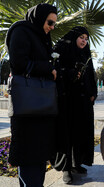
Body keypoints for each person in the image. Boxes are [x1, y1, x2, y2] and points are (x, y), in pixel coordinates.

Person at [5, 3, 57, 186]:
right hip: (27, 108)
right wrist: (48, 69)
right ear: (39, 17)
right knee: (29, 159)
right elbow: (19, 63)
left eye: (54, 24)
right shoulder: (21, 31)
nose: (51, 27)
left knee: (38, 158)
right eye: (49, 22)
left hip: (41, 107)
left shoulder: (42, 37)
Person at [50, 26, 98, 184]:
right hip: (67, 101)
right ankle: (66, 168)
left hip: (83, 102)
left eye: (86, 38)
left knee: (80, 132)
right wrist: (69, 74)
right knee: (67, 133)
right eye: (81, 37)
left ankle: (76, 164)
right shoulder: (63, 51)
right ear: (74, 38)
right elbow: (56, 72)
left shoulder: (85, 54)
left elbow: (91, 74)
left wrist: (93, 92)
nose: (84, 41)